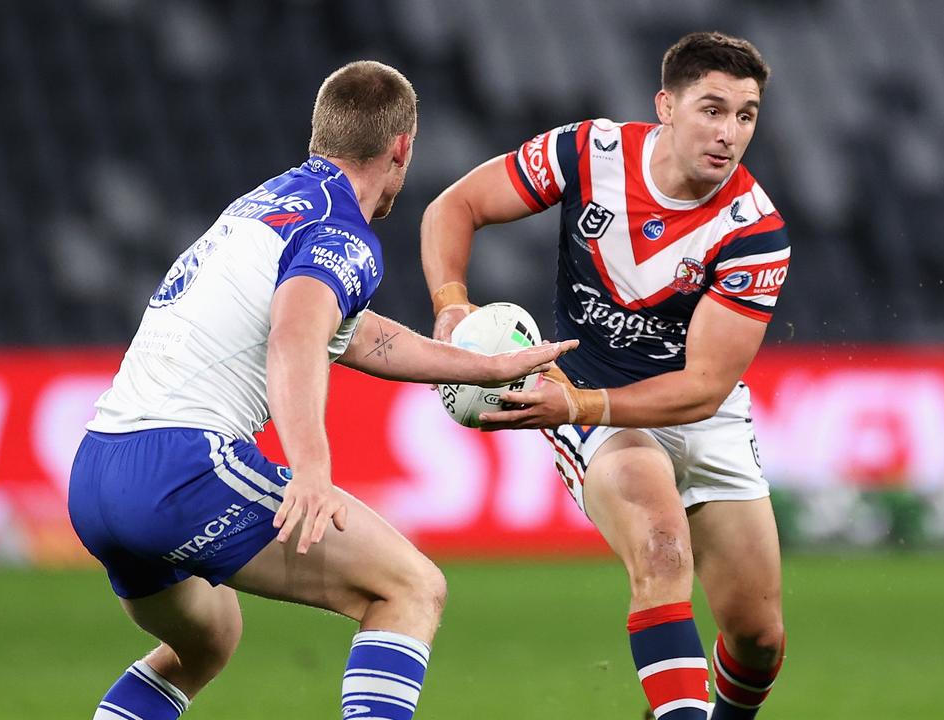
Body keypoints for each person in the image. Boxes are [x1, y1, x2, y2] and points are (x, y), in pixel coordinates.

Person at [68, 60, 576, 720]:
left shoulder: (275, 203)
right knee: (409, 588)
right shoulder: (341, 233)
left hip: (98, 472)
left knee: (209, 639)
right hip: (182, 467)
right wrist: (311, 468)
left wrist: (474, 365)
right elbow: (295, 335)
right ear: (402, 147)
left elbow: (356, 337)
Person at [421, 32, 789, 720]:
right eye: (712, 109)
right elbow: (454, 207)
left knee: (759, 639)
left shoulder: (754, 230)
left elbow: (703, 388)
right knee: (659, 547)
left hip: (686, 413)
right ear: (666, 108)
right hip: (596, 415)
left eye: (746, 115)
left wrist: (578, 404)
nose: (729, 133)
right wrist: (452, 306)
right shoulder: (589, 154)